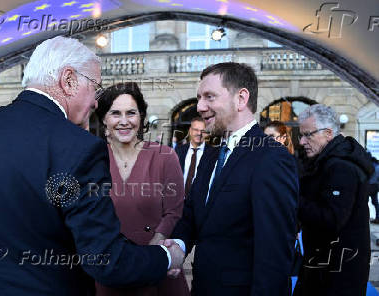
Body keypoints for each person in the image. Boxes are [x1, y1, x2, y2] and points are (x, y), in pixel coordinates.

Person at [0, 36, 184, 296]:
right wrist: (165, 257)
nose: (96, 102)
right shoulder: (77, 147)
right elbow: (105, 260)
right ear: (69, 79)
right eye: (94, 87)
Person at [165, 62, 299, 295]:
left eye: (209, 97)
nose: (200, 106)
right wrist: (178, 245)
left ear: (241, 98)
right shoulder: (212, 154)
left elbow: (274, 253)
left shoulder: (271, 158)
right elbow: (194, 213)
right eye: (199, 98)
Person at [94, 82, 190, 296]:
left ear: (141, 117)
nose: (124, 121)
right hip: (110, 270)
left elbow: (174, 211)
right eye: (115, 113)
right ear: (104, 119)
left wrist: (151, 254)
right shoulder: (92, 159)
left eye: (131, 113)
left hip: (157, 268)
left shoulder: (164, 155)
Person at [293, 104, 373, 296]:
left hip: (336, 275)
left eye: (308, 135)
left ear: (328, 133)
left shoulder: (341, 167)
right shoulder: (327, 161)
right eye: (300, 135)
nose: (302, 141)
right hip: (325, 268)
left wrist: (293, 200)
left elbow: (332, 219)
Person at [175, 117, 216, 197]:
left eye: (202, 131)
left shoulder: (213, 154)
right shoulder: (179, 151)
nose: (199, 133)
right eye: (195, 130)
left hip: (199, 204)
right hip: (178, 202)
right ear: (190, 131)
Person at [368, 156, 379, 223]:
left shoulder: (369, 165)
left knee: (363, 201)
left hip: (369, 185)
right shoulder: (378, 167)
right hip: (376, 186)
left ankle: (365, 217)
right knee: (375, 202)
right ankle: (378, 217)